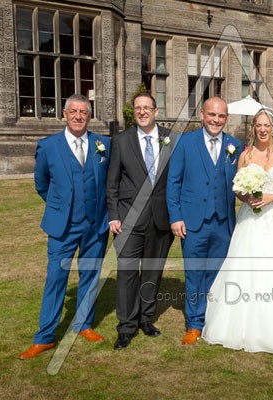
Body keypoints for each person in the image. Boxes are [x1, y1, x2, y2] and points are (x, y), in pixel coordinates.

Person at [202, 109, 273, 355]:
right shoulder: (245, 155)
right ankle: (238, 326)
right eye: (258, 125)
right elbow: (237, 188)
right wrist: (247, 197)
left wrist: (271, 197)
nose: (263, 129)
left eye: (267, 125)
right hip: (250, 220)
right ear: (254, 128)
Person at [19, 94, 111, 360]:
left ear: (89, 116)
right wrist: (60, 207)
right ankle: (45, 337)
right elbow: (41, 184)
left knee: (90, 275)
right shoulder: (48, 146)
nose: (78, 116)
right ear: (64, 114)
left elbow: (109, 181)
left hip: (96, 225)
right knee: (55, 278)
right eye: (74, 112)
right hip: (63, 227)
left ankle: (84, 323)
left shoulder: (104, 144)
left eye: (83, 112)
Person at [166, 97, 243, 345]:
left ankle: (213, 318)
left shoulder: (235, 145)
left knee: (217, 273)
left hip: (223, 221)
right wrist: (175, 216)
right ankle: (194, 323)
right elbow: (173, 182)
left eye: (221, 116)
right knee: (194, 273)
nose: (216, 120)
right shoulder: (184, 142)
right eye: (212, 115)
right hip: (193, 221)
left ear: (226, 118)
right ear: (202, 114)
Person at [106, 93, 175, 350]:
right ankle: (126, 327)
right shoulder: (121, 141)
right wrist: (113, 215)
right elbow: (112, 182)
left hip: (161, 218)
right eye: (138, 108)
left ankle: (146, 318)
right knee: (126, 272)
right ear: (133, 112)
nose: (142, 112)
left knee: (152, 272)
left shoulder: (172, 139)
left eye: (147, 108)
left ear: (156, 111)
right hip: (128, 219)